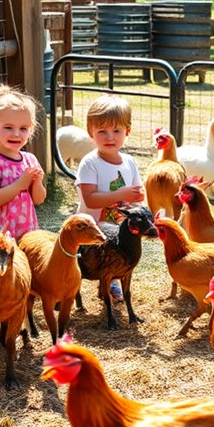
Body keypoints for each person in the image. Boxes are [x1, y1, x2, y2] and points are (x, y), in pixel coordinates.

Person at [75, 94, 144, 303]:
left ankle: (110, 283)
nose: (110, 137)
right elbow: (90, 200)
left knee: (114, 258)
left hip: (117, 229)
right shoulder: (90, 163)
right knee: (80, 262)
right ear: (91, 132)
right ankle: (69, 288)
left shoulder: (129, 163)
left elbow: (137, 196)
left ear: (127, 131)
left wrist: (138, 200)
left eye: (117, 131)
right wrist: (121, 194)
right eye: (102, 131)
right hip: (90, 228)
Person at [0, 84, 46, 242]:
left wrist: (37, 182)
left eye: (23, 129)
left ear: (31, 131)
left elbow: (38, 200)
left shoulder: (30, 160)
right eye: (8, 127)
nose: (16, 134)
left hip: (25, 231)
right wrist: (20, 184)